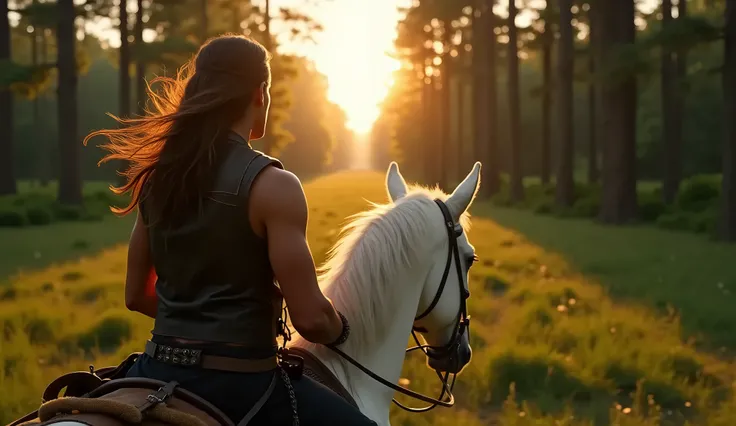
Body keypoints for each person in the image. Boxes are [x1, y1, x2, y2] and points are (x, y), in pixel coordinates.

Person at [84, 34, 376, 426]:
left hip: (153, 368)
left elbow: (136, 295)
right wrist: (343, 331)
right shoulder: (274, 185)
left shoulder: (158, 178)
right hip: (240, 380)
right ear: (259, 93)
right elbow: (310, 319)